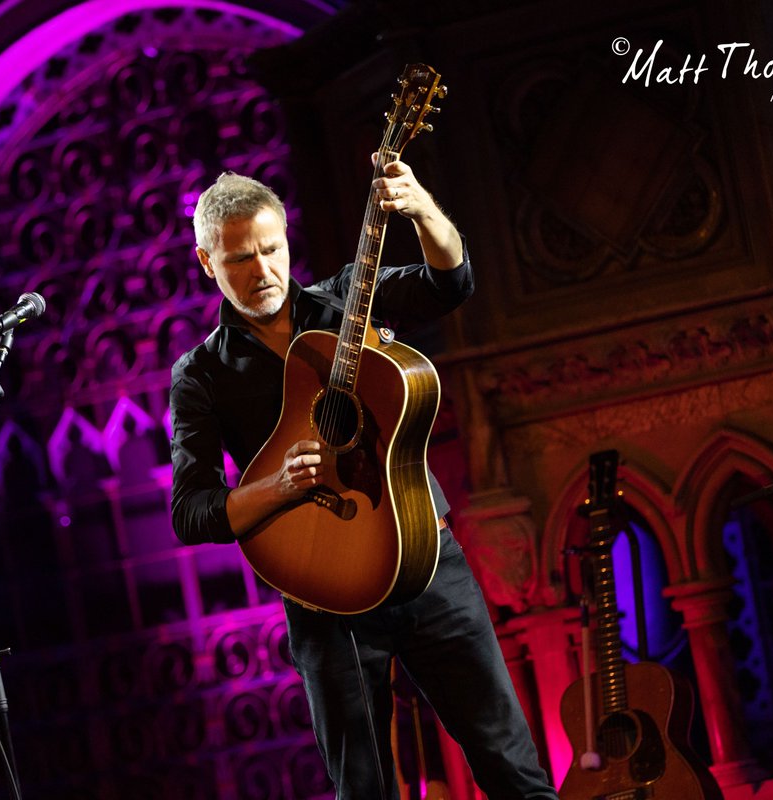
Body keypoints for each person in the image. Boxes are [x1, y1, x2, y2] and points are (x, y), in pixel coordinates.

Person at [169, 158, 558, 799]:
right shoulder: (201, 374)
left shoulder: (348, 299)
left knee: (512, 768)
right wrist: (278, 486)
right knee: (363, 790)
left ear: (286, 239)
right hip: (323, 591)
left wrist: (422, 209)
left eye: (271, 249)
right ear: (207, 263)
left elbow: (450, 283)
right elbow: (191, 512)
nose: (263, 271)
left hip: (425, 562)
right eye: (239, 259)